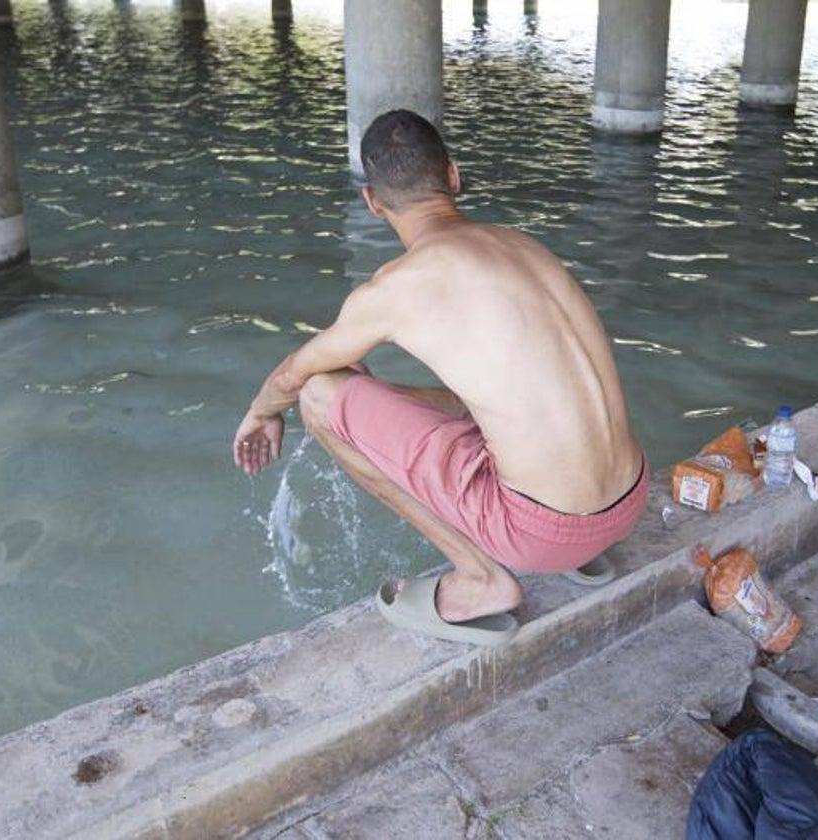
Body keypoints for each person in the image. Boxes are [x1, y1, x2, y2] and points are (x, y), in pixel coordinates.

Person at [232, 109, 647, 646]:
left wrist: (261, 411)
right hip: (627, 502)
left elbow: (294, 375)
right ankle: (580, 549)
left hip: (542, 535)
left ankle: (480, 579)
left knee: (318, 395)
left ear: (373, 202)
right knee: (470, 396)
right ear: (453, 175)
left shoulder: (395, 289)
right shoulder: (525, 247)